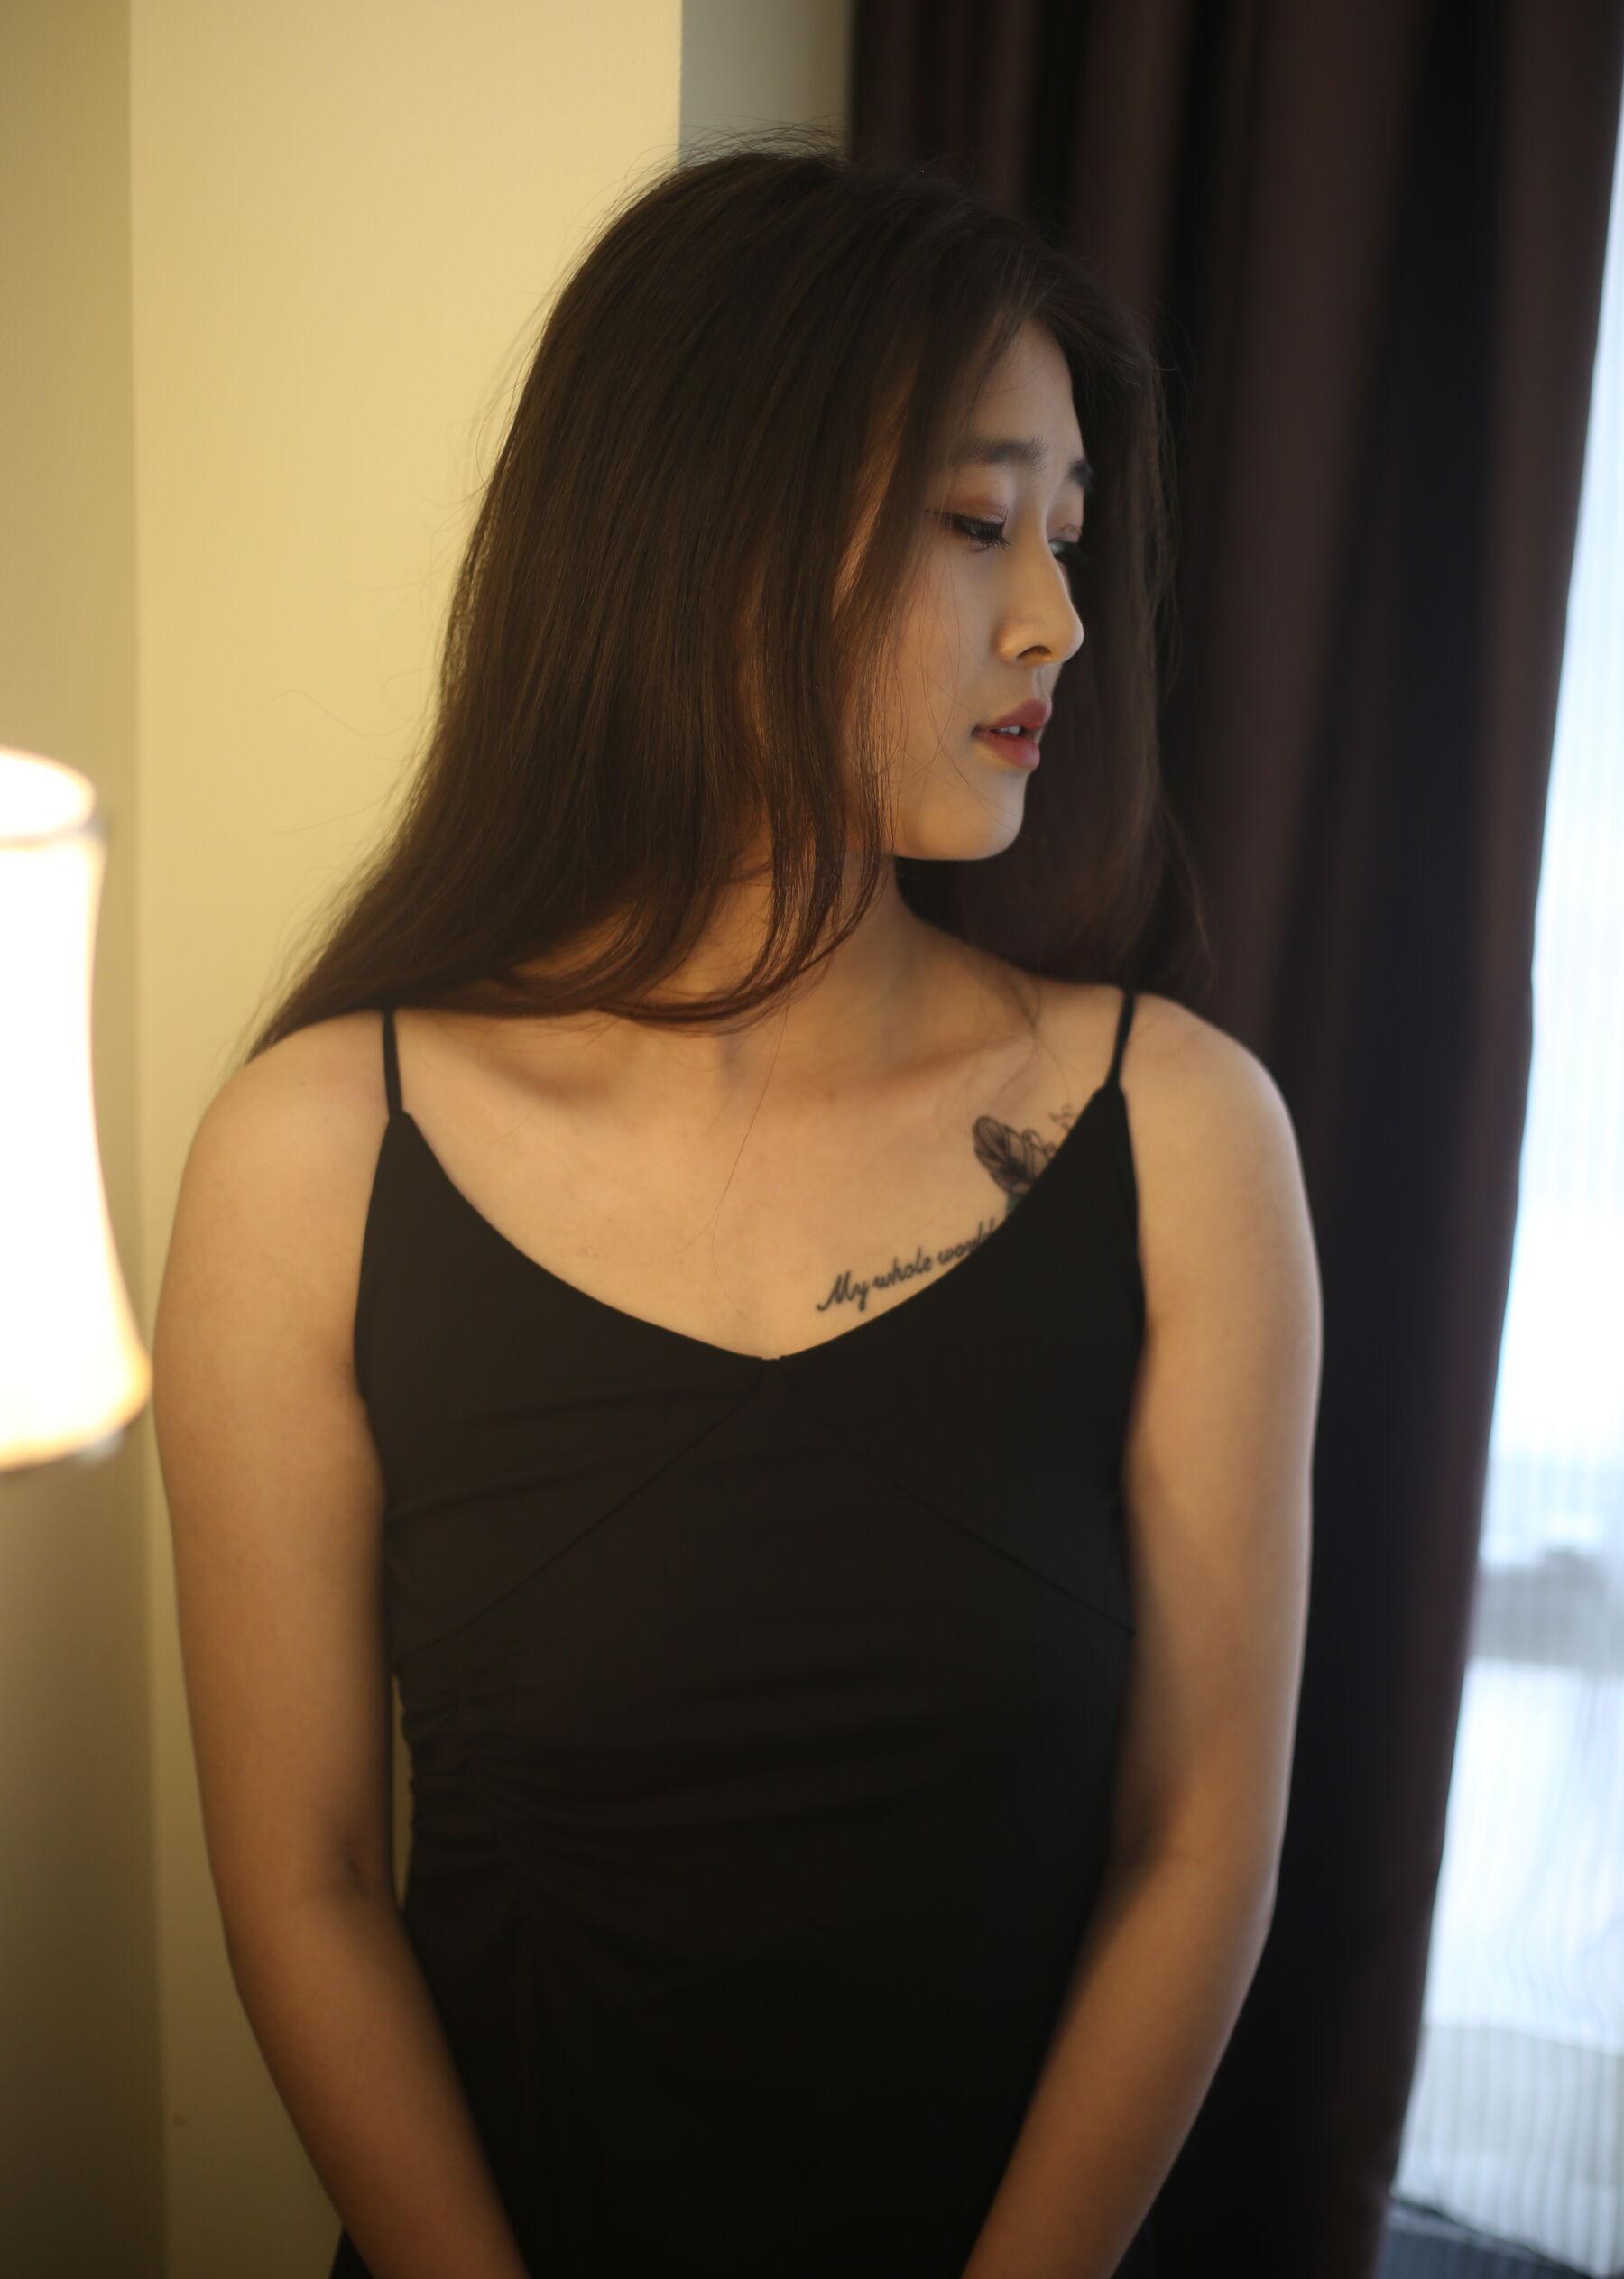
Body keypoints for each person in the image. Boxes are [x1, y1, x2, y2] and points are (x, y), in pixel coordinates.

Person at [152, 128, 1318, 2278]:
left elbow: (1196, 1843)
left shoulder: (1181, 1137)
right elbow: (303, 1882)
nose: (1060, 618)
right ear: (716, 536)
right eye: (977, 521)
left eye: (1069, 536)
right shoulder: (312, 1159)